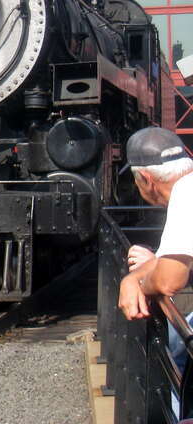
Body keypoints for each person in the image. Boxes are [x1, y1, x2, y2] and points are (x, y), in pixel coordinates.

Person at [117, 127, 193, 415]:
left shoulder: (186, 193)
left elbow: (169, 281)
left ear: (146, 179)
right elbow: (166, 262)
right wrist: (133, 278)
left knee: (173, 356)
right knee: (176, 342)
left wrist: (140, 284)